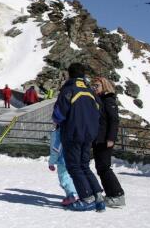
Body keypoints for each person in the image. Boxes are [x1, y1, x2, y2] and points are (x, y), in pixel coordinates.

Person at [52, 62, 105, 212]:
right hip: (89, 134)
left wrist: (60, 122)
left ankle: (86, 198)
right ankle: (98, 196)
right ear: (83, 75)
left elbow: (58, 114)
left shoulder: (69, 90)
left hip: (73, 133)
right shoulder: (90, 91)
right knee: (84, 165)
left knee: (74, 166)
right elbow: (100, 112)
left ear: (70, 74)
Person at [91, 76, 125, 208]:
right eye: (94, 86)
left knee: (104, 167)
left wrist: (111, 138)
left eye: (97, 86)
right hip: (98, 139)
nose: (95, 88)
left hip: (105, 140)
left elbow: (114, 120)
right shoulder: (99, 100)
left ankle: (117, 194)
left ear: (104, 86)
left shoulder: (108, 99)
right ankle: (111, 195)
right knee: (100, 168)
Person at [49, 125, 79, 206]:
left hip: (63, 160)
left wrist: (51, 162)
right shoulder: (72, 130)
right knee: (72, 177)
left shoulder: (57, 133)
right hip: (74, 158)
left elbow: (55, 149)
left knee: (64, 178)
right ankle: (72, 194)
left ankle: (73, 195)